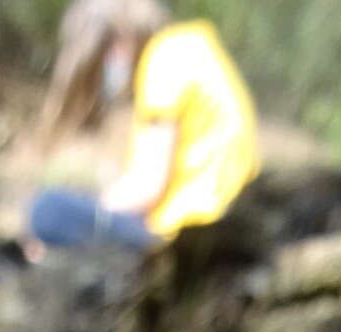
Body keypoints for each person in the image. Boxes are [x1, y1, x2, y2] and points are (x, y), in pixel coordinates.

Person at [27, 1, 258, 255]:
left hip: (185, 233)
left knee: (49, 210)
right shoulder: (193, 46)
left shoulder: (164, 59)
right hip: (222, 223)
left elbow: (147, 185)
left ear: (119, 38)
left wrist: (94, 210)